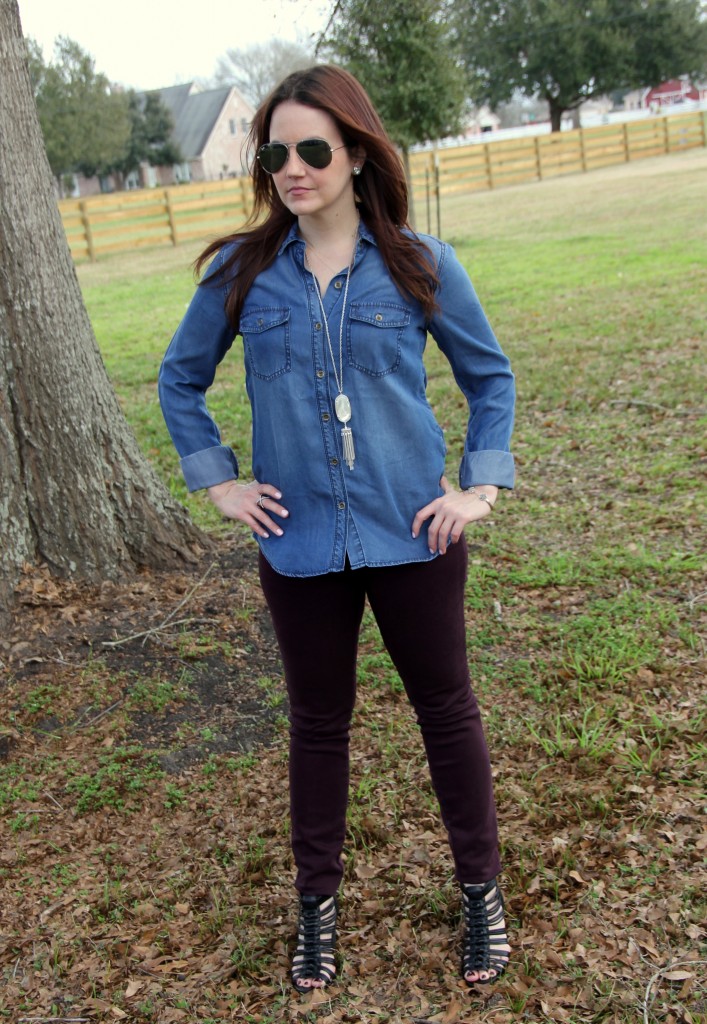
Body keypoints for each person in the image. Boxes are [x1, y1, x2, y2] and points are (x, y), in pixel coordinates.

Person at [158, 64, 514, 993]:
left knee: (447, 711)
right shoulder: (242, 275)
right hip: (299, 542)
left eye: (313, 149)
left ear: (355, 154)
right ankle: (316, 912)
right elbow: (178, 381)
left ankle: (481, 894)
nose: (291, 168)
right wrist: (220, 484)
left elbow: (491, 380)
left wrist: (478, 487)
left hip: (414, 534)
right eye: (274, 151)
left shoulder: (421, 265)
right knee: (318, 725)